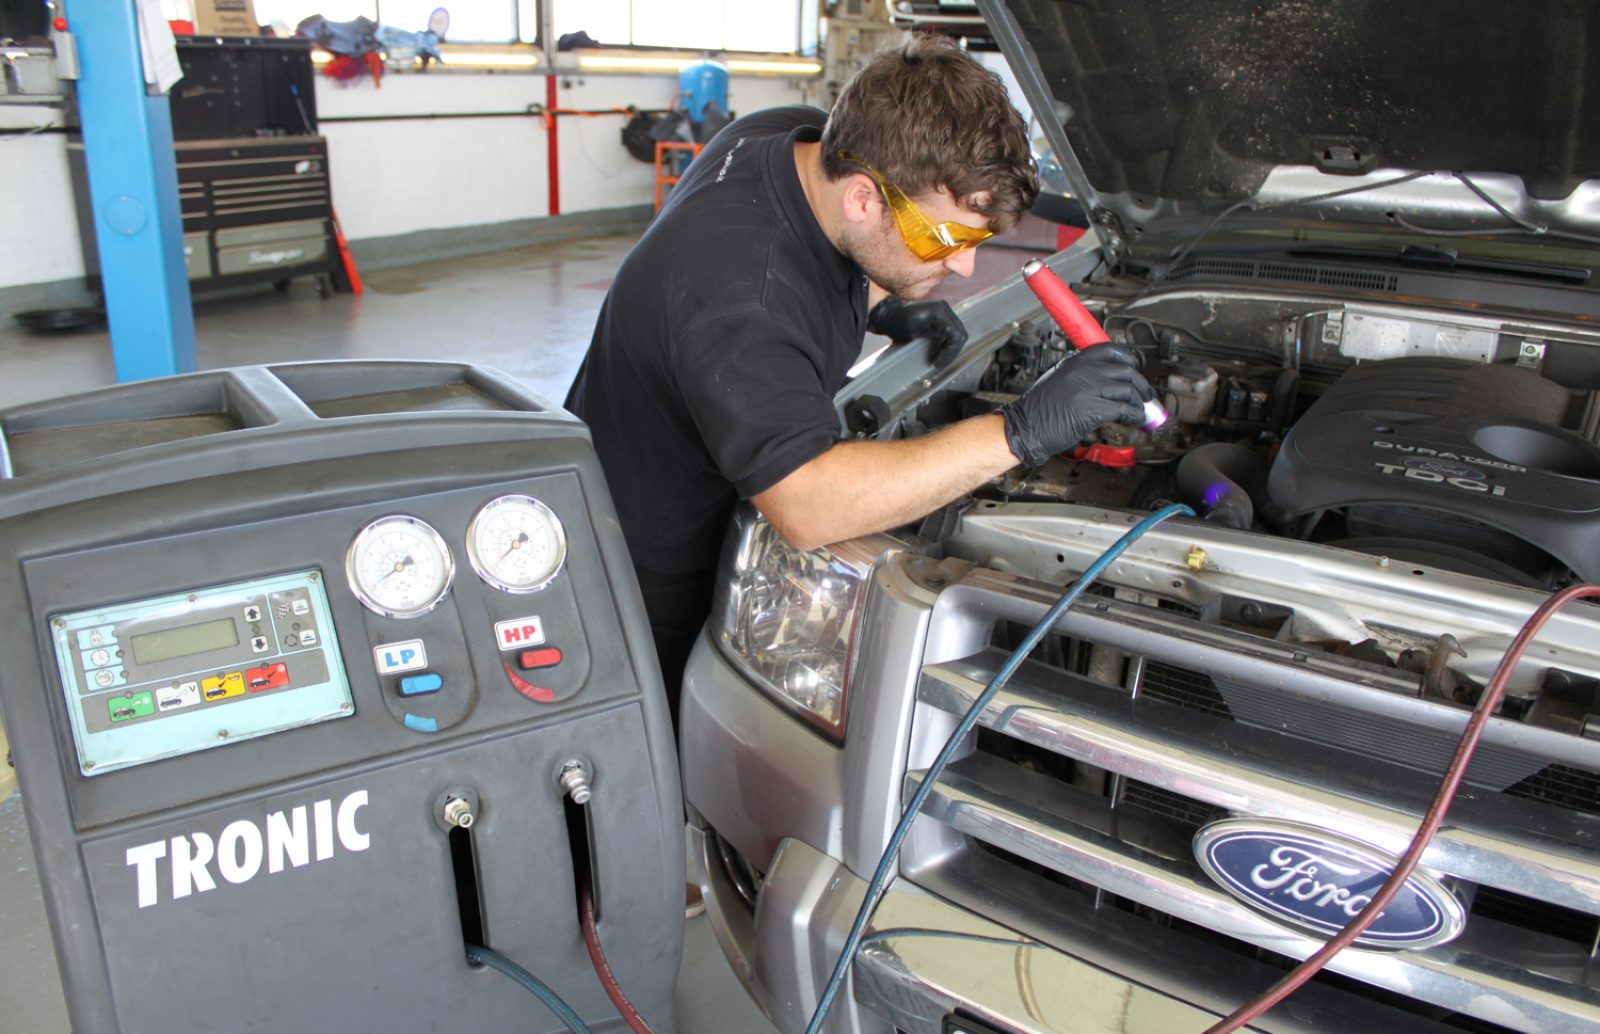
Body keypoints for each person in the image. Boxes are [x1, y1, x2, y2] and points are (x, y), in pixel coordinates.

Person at [565, 35, 1154, 724]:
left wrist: (878, 304)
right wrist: (1018, 431)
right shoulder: (744, 298)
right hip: (639, 573)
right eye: (945, 240)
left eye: (975, 242)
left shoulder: (790, 137)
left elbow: (812, 253)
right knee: (670, 748)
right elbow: (808, 504)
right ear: (863, 196)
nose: (964, 268)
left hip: (651, 464)